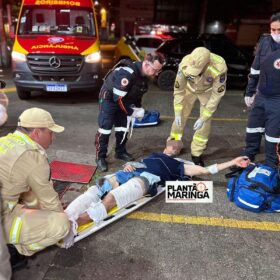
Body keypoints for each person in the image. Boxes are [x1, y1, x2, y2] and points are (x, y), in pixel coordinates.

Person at [65, 141, 249, 230]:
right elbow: (135, 164)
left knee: (112, 197)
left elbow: (206, 171)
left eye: (178, 147)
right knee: (98, 187)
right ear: (167, 146)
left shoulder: (181, 165)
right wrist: (129, 164)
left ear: (179, 151)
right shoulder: (153, 155)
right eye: (172, 145)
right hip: (132, 171)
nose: (174, 147)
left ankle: (79, 221)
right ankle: (66, 216)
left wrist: (233, 162)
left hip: (147, 180)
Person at [0, 108, 70, 270]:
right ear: (38, 133)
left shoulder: (4, 141)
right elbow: (49, 201)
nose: (53, 137)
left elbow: (27, 192)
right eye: (51, 132)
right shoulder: (33, 157)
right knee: (61, 224)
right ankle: (13, 252)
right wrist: (62, 220)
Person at [95, 52, 165, 172]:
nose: (157, 73)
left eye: (159, 71)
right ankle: (100, 157)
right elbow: (119, 99)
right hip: (109, 97)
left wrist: (137, 108)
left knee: (123, 127)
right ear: (147, 65)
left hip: (123, 98)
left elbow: (137, 94)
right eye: (156, 70)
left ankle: (120, 152)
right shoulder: (127, 73)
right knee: (105, 128)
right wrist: (131, 112)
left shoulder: (144, 76)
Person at [168, 47, 227, 166]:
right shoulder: (186, 63)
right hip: (189, 89)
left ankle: (196, 153)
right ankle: (173, 146)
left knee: (205, 123)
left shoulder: (219, 67)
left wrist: (203, 118)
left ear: (207, 64)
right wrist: (177, 111)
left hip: (207, 92)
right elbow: (178, 90)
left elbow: (217, 95)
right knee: (179, 118)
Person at [243, 12, 280, 168]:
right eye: (273, 30)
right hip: (261, 95)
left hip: (278, 99)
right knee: (253, 127)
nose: (276, 34)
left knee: (272, 135)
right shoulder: (265, 42)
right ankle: (247, 158)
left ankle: (271, 165)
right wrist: (249, 92)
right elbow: (255, 69)